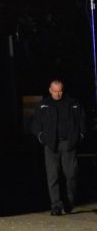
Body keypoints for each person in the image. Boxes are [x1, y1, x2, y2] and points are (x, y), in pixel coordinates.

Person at [29, 78, 85, 215]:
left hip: (69, 144)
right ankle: (56, 205)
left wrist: (80, 135)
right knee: (52, 176)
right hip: (51, 145)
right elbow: (35, 124)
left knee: (71, 174)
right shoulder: (43, 105)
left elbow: (82, 120)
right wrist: (42, 137)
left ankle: (69, 201)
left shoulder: (73, 104)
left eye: (60, 91)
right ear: (50, 90)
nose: (57, 94)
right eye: (55, 91)